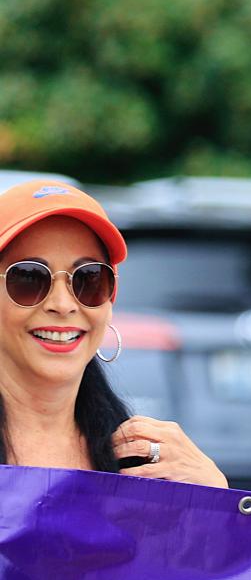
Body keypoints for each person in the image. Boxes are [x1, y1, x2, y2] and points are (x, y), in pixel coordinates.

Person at [0, 179, 224, 485]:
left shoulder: (148, 463)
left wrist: (213, 502)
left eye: (89, 279)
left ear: (110, 299)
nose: (63, 304)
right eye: (29, 277)